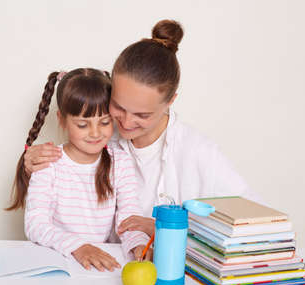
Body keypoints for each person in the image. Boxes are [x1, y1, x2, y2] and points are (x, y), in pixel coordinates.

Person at [23, 20, 260, 239]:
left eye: (142, 115)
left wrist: (165, 228)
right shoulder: (100, 133)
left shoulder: (198, 152)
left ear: (170, 102)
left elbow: (255, 224)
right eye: (118, 106)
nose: (125, 122)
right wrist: (32, 163)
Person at [7, 68, 150, 272]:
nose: (95, 133)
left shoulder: (121, 161)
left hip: (99, 266)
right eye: (83, 124)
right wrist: (78, 247)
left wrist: (138, 244)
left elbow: (129, 218)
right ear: (62, 120)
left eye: (105, 122)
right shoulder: (48, 162)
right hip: (58, 261)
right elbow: (35, 225)